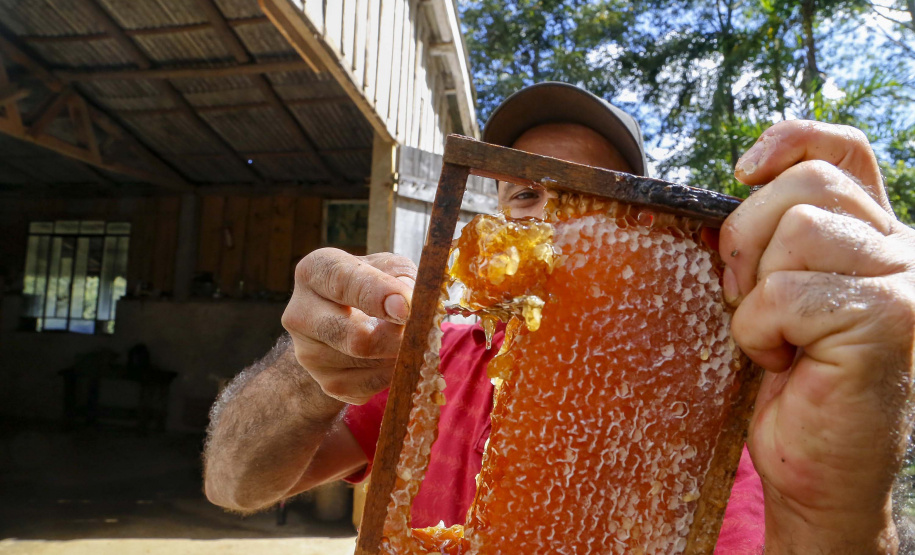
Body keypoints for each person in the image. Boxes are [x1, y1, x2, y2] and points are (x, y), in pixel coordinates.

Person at [203, 82, 915, 554]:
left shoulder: (716, 399)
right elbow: (233, 484)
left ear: (645, 231)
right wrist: (311, 366)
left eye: (587, 195)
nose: (551, 215)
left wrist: (840, 516)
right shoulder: (434, 360)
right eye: (523, 195)